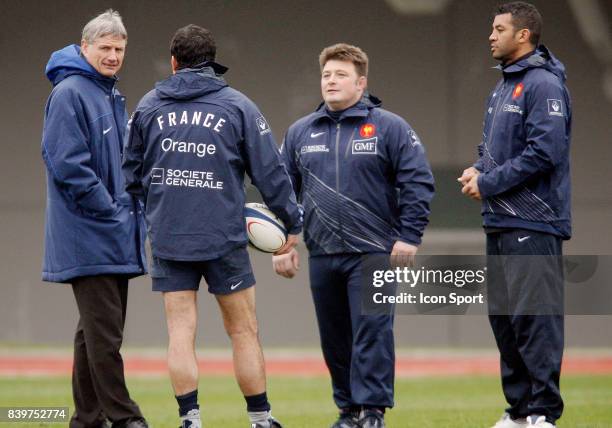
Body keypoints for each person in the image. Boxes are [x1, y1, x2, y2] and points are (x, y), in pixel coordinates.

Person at [122, 24, 302, 428]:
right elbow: (269, 173)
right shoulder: (238, 106)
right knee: (243, 330)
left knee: (180, 334)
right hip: (224, 236)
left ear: (173, 62)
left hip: (169, 237)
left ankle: (190, 419)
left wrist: (161, 206)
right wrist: (292, 220)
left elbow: (130, 175)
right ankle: (260, 419)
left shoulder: (149, 106)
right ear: (212, 63)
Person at [274, 43, 434, 428]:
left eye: (340, 74)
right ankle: (347, 411)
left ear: (360, 83)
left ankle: (373, 412)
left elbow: (418, 182)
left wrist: (409, 235)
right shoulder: (300, 132)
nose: (331, 81)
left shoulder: (389, 127)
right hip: (323, 253)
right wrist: (283, 241)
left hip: (374, 253)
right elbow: (281, 191)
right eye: (326, 74)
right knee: (336, 339)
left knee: (373, 333)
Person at [458, 2, 571, 428]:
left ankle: (544, 412)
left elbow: (546, 152)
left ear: (523, 35)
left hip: (535, 220)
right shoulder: (502, 87)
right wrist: (478, 169)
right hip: (500, 220)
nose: (491, 35)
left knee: (535, 319)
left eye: (499, 28)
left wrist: (488, 182)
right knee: (505, 321)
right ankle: (520, 411)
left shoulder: (543, 85)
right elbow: (494, 151)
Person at [41, 9, 149, 428]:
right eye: (104, 47)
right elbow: (66, 164)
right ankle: (125, 418)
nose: (113, 55)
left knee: (93, 335)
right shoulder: (71, 92)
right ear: (84, 47)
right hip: (91, 232)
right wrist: (110, 209)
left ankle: (87, 420)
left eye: (119, 48)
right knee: (105, 337)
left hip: (110, 233)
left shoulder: (105, 93)